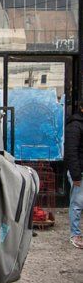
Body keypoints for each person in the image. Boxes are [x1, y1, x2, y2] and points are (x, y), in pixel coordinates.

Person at [64, 104, 83, 248]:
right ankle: (75, 235)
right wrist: (76, 175)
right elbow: (71, 151)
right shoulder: (75, 126)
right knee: (77, 204)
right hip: (79, 172)